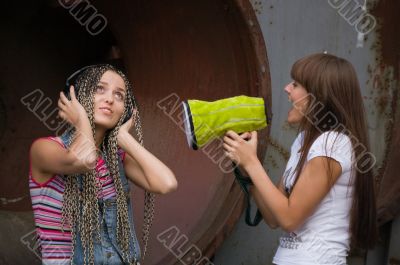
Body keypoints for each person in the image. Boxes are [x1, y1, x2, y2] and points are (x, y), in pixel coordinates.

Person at [223, 53, 377, 264]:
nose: (287, 88)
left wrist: (252, 162)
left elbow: (289, 218)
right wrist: (246, 168)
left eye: (295, 84)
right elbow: (273, 217)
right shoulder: (305, 140)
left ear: (318, 96)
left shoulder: (332, 144)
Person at [29, 64, 178, 265]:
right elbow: (85, 160)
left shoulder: (117, 158)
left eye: (119, 95)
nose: (109, 99)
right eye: (99, 89)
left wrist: (124, 138)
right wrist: (82, 119)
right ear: (76, 98)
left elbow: (166, 183)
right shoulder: (44, 149)